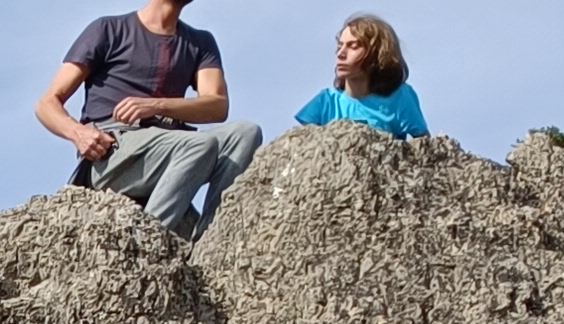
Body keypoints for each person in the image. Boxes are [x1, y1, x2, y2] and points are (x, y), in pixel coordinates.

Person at [40, 0, 266, 240]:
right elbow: (47, 103)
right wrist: (79, 134)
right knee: (199, 145)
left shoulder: (200, 42)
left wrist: (155, 105)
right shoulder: (109, 29)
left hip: (171, 144)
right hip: (115, 148)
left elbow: (217, 105)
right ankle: (146, 242)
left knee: (245, 133)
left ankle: (212, 241)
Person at [295, 16, 427, 139]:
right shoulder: (326, 102)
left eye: (353, 46)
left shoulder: (399, 98)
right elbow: (300, 146)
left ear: (377, 54)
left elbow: (425, 146)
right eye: (340, 46)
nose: (341, 54)